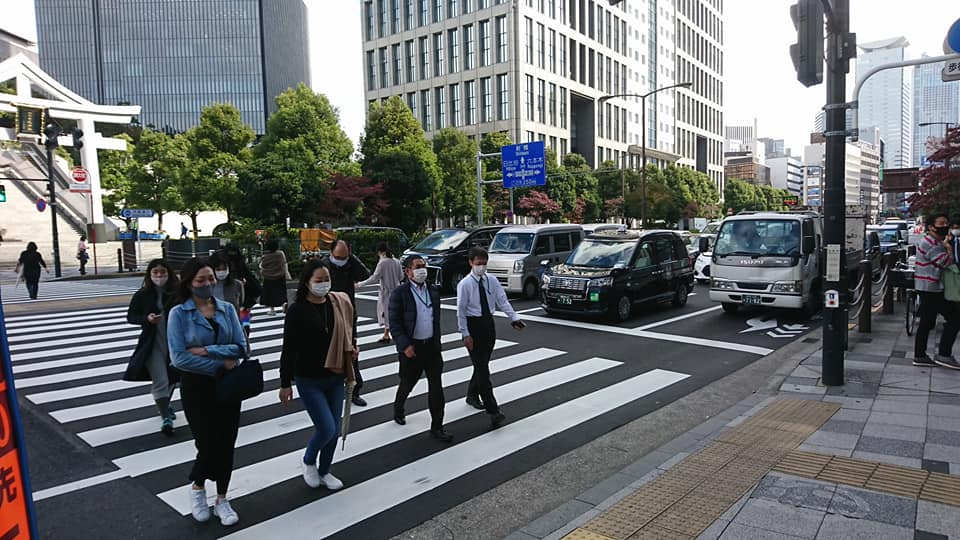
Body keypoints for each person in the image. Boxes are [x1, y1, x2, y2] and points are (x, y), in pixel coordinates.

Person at [168, 258, 247, 526]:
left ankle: (222, 498)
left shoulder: (227, 309)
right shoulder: (179, 314)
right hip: (197, 388)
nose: (208, 284)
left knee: (227, 442)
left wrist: (206, 351)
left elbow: (241, 347)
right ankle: (198, 487)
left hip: (228, 386)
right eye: (201, 280)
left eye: (210, 278)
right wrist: (219, 364)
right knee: (208, 443)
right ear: (189, 283)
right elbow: (179, 358)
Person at [279, 260, 357, 490]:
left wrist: (352, 348)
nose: (324, 284)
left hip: (335, 375)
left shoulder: (337, 303)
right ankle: (309, 459)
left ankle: (325, 471)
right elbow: (288, 349)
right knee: (326, 428)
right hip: (308, 378)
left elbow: (349, 331)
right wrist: (285, 383)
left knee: (334, 429)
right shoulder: (297, 311)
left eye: (327, 279)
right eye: (318, 280)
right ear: (307, 282)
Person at [456, 247, 525, 428]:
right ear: (471, 263)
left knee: (482, 365)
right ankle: (493, 410)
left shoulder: (491, 280)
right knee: (483, 370)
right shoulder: (465, 284)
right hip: (473, 325)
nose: (482, 267)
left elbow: (502, 300)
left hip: (488, 325)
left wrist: (514, 318)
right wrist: (465, 333)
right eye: (478, 263)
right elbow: (460, 311)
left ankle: (472, 395)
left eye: (484, 263)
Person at [388, 255, 452, 442]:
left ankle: (437, 427)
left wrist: (437, 342)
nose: (422, 270)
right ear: (408, 271)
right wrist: (404, 345)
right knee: (408, 382)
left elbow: (435, 320)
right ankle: (399, 407)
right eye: (418, 267)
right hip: (412, 348)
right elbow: (395, 323)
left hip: (431, 347)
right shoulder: (400, 293)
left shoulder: (432, 290)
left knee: (436, 387)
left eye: (423, 266)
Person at [125, 259, 180, 435]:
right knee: (160, 379)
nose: (159, 276)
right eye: (155, 272)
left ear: (169, 273)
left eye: (162, 272)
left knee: (173, 377)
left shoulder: (177, 292)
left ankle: (164, 404)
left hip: (175, 342)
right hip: (153, 343)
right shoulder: (142, 295)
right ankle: (165, 417)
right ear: (149, 275)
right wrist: (146, 319)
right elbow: (131, 317)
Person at [322, 240, 371, 407]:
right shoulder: (323, 266)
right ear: (331, 253)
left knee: (351, 352)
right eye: (338, 257)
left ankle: (354, 390)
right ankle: (325, 388)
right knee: (326, 352)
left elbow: (365, 274)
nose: (341, 261)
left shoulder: (350, 264)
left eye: (344, 257)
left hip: (348, 313)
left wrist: (351, 259)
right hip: (327, 314)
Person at [913, 213, 960, 370]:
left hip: (932, 287)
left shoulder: (936, 241)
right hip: (930, 288)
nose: (945, 226)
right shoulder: (929, 243)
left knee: (927, 322)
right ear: (931, 227)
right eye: (941, 223)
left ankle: (922, 355)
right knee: (954, 318)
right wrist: (949, 249)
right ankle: (942, 355)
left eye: (946, 223)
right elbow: (945, 262)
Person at [356, 242, 403, 343]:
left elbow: (374, 278)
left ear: (381, 252)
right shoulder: (396, 261)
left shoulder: (382, 263)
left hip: (386, 291)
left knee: (386, 313)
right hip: (397, 290)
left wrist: (360, 284)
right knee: (395, 313)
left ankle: (390, 334)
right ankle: (386, 334)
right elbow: (401, 276)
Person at [222, 244, 262, 339]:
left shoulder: (228, 263)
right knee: (242, 319)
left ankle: (244, 334)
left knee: (242, 320)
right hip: (241, 296)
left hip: (241, 295)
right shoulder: (239, 262)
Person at [259, 239, 291, 316]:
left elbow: (262, 265)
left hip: (268, 277)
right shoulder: (280, 254)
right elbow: (284, 262)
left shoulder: (265, 256)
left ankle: (272, 310)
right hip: (280, 276)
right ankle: (284, 304)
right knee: (281, 292)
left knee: (270, 293)